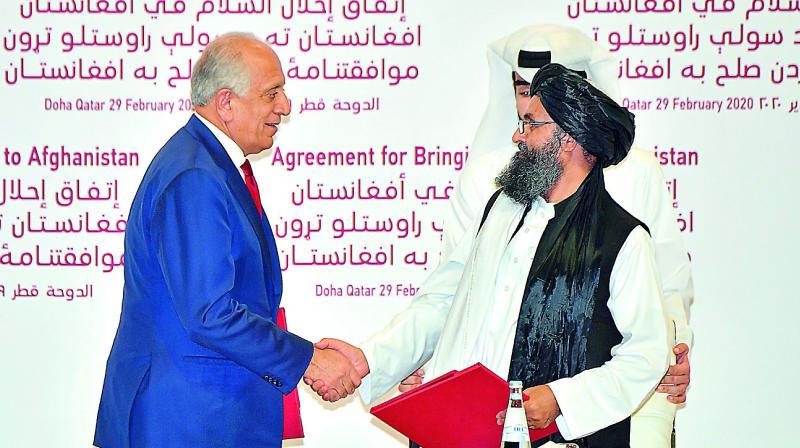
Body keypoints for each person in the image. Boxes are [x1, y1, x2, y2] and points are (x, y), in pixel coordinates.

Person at [320, 63, 671, 446]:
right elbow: (444, 303)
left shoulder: (622, 238)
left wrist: (561, 399)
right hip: (463, 430)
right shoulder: (499, 210)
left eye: (530, 124)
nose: (517, 136)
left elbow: (646, 354)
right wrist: (368, 360)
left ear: (567, 139)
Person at [399, 24, 691, 446]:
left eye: (533, 120)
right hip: (488, 406)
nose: (520, 129)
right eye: (521, 89)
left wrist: (673, 349)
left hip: (602, 402)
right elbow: (456, 296)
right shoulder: (494, 186)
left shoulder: (636, 184)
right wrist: (425, 361)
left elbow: (665, 291)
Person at [93, 32, 361, 448]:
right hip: (186, 422)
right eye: (272, 94)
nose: (285, 107)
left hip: (203, 416)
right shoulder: (196, 176)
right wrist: (307, 359)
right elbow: (210, 313)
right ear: (226, 103)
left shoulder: (205, 164)